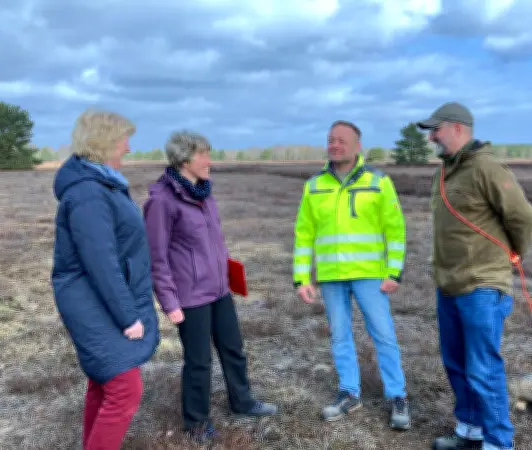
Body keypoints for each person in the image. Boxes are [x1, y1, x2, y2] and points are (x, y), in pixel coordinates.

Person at [142, 130, 278, 443]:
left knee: (233, 350)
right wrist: (170, 303)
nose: (210, 161)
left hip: (219, 291)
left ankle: (242, 402)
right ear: (184, 159)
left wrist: (228, 274)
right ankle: (196, 422)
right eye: (204, 155)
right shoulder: (161, 202)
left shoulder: (203, 194)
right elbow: (156, 258)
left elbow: (213, 244)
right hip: (190, 298)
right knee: (199, 361)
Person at [416, 102, 532, 450]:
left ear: (457, 128)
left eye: (435, 129)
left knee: (483, 369)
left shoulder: (488, 167)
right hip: (449, 285)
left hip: (482, 285)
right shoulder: (444, 173)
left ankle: (499, 443)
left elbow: (522, 217)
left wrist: (513, 255)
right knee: (456, 363)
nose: (432, 137)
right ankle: (470, 432)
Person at [50, 109, 160, 450]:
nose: (128, 148)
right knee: (124, 387)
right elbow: (100, 262)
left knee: (104, 382)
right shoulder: (89, 192)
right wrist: (128, 316)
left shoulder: (100, 184)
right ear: (105, 142)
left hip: (98, 296)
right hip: (91, 298)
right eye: (124, 140)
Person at [292, 120, 411, 429]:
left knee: (383, 335)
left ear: (358, 146)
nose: (335, 145)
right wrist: (302, 277)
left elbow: (395, 230)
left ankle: (397, 396)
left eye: (342, 140)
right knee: (340, 335)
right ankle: (349, 393)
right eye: (331, 140)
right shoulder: (314, 185)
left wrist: (394, 272)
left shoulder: (378, 181)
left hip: (371, 275)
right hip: (331, 276)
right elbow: (304, 235)